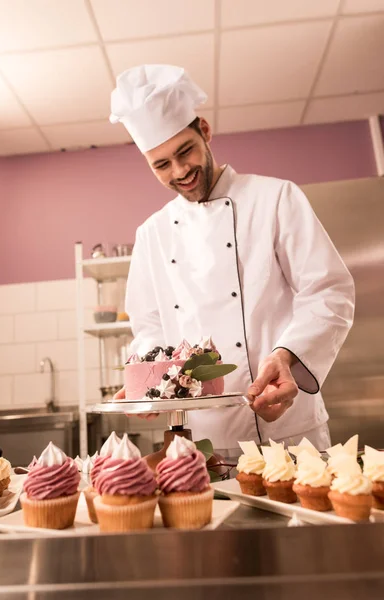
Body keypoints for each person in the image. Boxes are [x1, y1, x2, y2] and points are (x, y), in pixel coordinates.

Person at [110, 64, 355, 458]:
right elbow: (149, 327)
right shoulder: (152, 234)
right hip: (202, 437)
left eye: (185, 151)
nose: (180, 171)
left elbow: (329, 292)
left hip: (290, 429)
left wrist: (285, 357)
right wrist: (152, 382)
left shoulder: (275, 198)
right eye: (161, 164)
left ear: (204, 131)